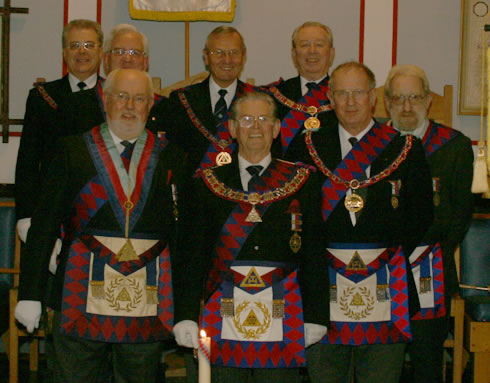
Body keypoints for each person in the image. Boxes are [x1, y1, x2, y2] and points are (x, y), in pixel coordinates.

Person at [14, 69, 191, 383]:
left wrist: (186, 308)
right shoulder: (71, 150)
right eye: (121, 96)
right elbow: (44, 227)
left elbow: (182, 238)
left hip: (146, 296)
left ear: (150, 105)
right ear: (106, 100)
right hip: (78, 291)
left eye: (139, 99)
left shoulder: (172, 157)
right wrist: (31, 293)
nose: (129, 105)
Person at [173, 91, 329, 383]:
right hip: (221, 315)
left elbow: (313, 252)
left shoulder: (302, 181)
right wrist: (185, 314)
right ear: (232, 129)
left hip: (284, 315)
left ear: (276, 128)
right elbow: (191, 254)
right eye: (246, 119)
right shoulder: (206, 183)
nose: (255, 127)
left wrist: (317, 315)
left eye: (263, 119)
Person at [302, 61, 434, 383]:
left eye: (358, 92)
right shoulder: (306, 147)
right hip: (324, 292)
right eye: (342, 93)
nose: (350, 102)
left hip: (386, 289)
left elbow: (421, 215)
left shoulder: (405, 148)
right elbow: (299, 217)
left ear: (372, 98)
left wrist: (382, 252)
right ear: (330, 98)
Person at [384, 64, 473, 383]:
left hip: (431, 268)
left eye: (415, 97)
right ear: (387, 103)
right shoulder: (374, 146)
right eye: (399, 98)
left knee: (426, 367)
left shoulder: (455, 147)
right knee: (380, 363)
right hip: (379, 269)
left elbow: (459, 217)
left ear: (428, 101)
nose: (407, 107)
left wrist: (421, 253)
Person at [15, 19, 104, 244]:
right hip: (50, 211)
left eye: (89, 45)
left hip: (101, 211)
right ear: (64, 52)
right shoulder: (42, 98)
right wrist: (25, 216)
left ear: (101, 51)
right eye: (74, 45)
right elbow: (27, 162)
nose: (82, 52)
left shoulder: (114, 98)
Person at [153, 26, 256, 170]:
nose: (227, 60)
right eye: (218, 53)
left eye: (234, 53)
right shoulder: (181, 101)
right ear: (206, 57)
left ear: (243, 56)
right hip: (193, 189)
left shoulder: (257, 101)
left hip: (243, 190)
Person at [63, 23, 164, 136]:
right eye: (119, 52)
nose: (127, 59)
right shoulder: (75, 105)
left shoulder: (164, 109)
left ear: (145, 62)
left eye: (135, 53)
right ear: (106, 60)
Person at [264, 21, 336, 158]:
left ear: (331, 53)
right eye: (305, 45)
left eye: (319, 45)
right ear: (294, 54)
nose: (312, 51)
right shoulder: (274, 96)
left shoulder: (343, 96)